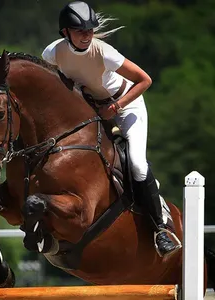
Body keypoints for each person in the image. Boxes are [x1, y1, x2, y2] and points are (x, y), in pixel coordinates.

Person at [41, 1, 180, 257]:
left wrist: (115, 108)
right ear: (65, 32)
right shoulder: (52, 53)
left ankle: (161, 230)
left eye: (90, 30)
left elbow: (144, 80)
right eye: (80, 30)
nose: (87, 35)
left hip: (126, 106)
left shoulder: (104, 52)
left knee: (137, 164)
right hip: (92, 110)